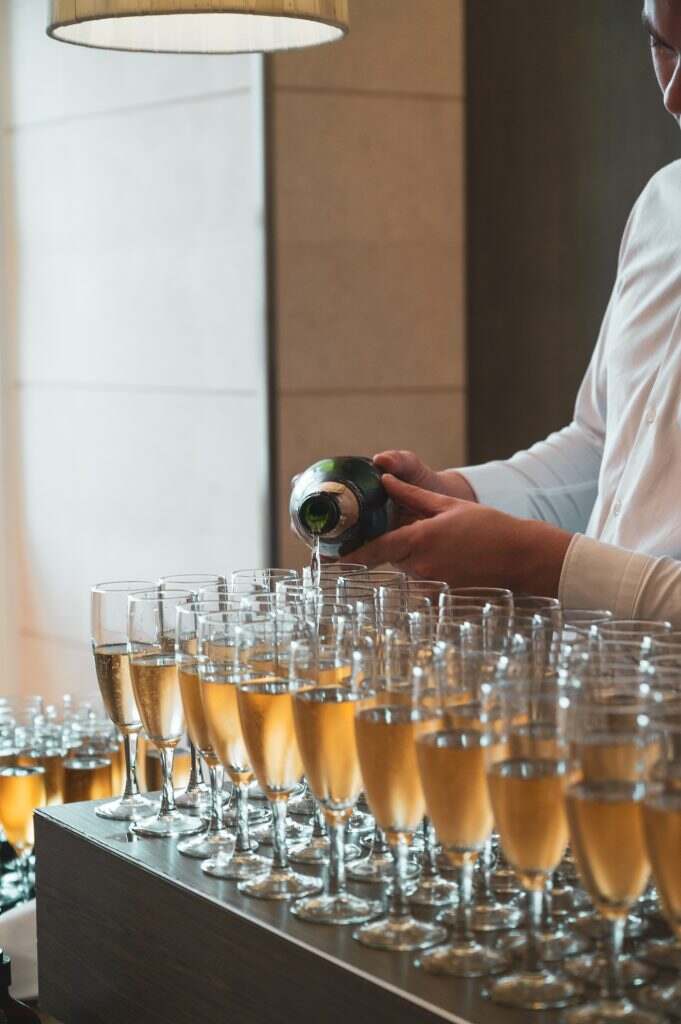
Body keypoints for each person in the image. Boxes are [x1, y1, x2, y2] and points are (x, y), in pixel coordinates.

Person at [353, 0, 681, 625]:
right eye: (663, 47)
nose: (674, 96)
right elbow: (606, 446)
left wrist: (540, 564)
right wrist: (458, 495)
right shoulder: (663, 208)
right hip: (598, 700)